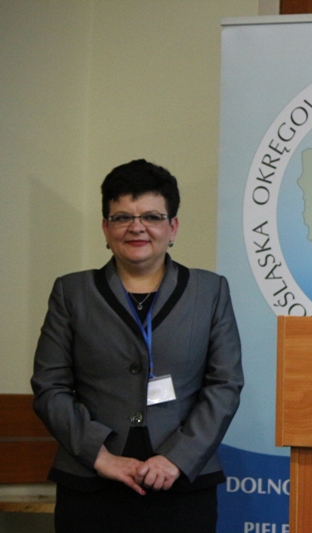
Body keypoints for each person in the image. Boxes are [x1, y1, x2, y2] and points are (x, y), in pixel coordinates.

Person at [31, 159, 244, 532]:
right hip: (92, 482)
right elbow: (50, 386)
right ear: (105, 227)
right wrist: (100, 456)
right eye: (122, 218)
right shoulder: (72, 292)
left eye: (152, 217)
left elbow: (225, 384)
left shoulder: (209, 291)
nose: (137, 227)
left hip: (182, 482)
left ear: (172, 227)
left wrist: (177, 458)